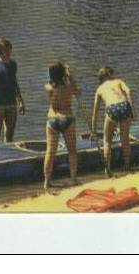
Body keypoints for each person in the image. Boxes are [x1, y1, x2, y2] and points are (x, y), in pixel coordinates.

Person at [43, 61, 81, 192]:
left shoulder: (49, 87)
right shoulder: (69, 87)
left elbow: (50, 83)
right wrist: (70, 75)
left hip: (52, 119)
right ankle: (73, 178)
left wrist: (58, 74)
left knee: (50, 151)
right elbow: (78, 92)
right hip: (67, 118)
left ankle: (47, 182)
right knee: (71, 150)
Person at [90, 66, 135, 176]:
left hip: (112, 109)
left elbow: (95, 111)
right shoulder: (118, 81)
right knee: (125, 138)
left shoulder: (100, 89)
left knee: (107, 140)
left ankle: (108, 169)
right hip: (124, 106)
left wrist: (93, 130)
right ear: (110, 75)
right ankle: (127, 165)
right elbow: (128, 91)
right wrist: (132, 109)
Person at [0, 38, 25, 144]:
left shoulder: (13, 64)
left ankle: (6, 157)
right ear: (0, 52)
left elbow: (14, 83)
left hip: (11, 103)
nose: (9, 53)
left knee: (9, 135)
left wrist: (21, 101)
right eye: (6, 51)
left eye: (9, 50)